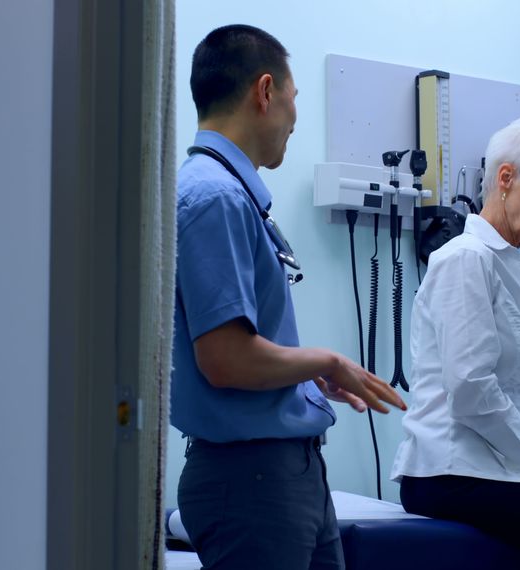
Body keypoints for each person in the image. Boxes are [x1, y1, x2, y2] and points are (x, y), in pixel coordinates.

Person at [172, 24, 407, 570]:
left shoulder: (224, 192)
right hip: (252, 482)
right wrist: (326, 360)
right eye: (295, 99)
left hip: (283, 474)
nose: (295, 119)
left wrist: (301, 371)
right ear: (265, 91)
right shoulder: (214, 197)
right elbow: (225, 360)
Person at [390, 117, 520, 570]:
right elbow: (471, 387)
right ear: (506, 179)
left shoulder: (506, 262)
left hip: (491, 469)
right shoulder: (464, 260)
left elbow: (512, 397)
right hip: (449, 473)